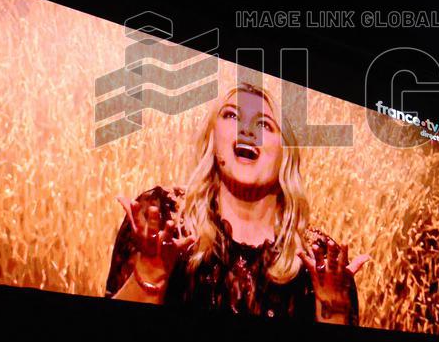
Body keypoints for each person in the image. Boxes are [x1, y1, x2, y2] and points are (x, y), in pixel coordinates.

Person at [105, 82, 368, 324]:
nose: (247, 129)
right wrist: (150, 274)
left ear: (284, 155)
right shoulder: (164, 219)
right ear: (213, 140)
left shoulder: (319, 259)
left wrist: (335, 309)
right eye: (232, 116)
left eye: (264, 124)